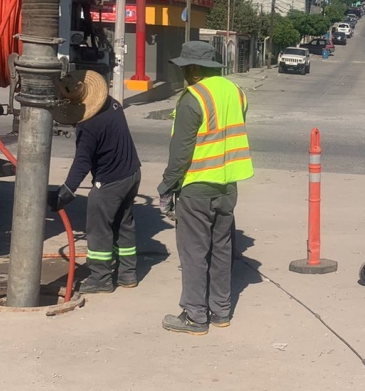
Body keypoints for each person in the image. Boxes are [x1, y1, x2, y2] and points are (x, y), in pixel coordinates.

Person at [159, 41, 254, 335]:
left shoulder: (193, 98)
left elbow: (181, 152)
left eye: (185, 68)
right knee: (222, 250)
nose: (183, 73)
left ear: (194, 69)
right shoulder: (236, 93)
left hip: (197, 187)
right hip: (228, 187)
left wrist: (166, 187)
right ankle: (221, 312)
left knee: (194, 253)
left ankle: (195, 316)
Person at [48, 69, 142, 294]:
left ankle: (101, 278)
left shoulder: (89, 126)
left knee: (99, 230)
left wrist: (66, 192)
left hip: (110, 182)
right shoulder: (113, 104)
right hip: (132, 174)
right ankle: (128, 274)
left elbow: (82, 162)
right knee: (124, 224)